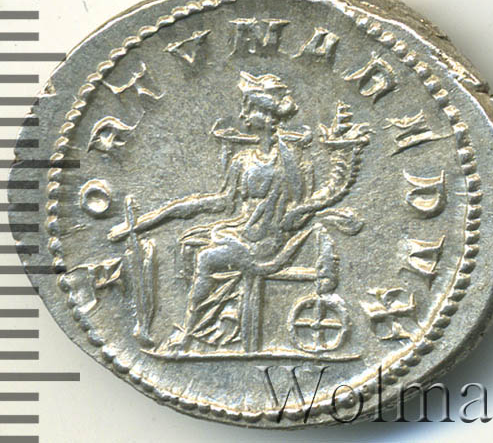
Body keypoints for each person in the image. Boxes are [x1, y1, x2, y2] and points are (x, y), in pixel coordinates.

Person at [109, 71, 370, 353]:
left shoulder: (294, 162)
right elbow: (219, 202)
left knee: (206, 258)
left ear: (267, 115)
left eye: (249, 108)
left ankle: (189, 333)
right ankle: (226, 315)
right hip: (241, 232)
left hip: (269, 243)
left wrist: (297, 214)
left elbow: (303, 208)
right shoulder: (242, 160)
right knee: (188, 242)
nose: (243, 114)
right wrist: (148, 221)